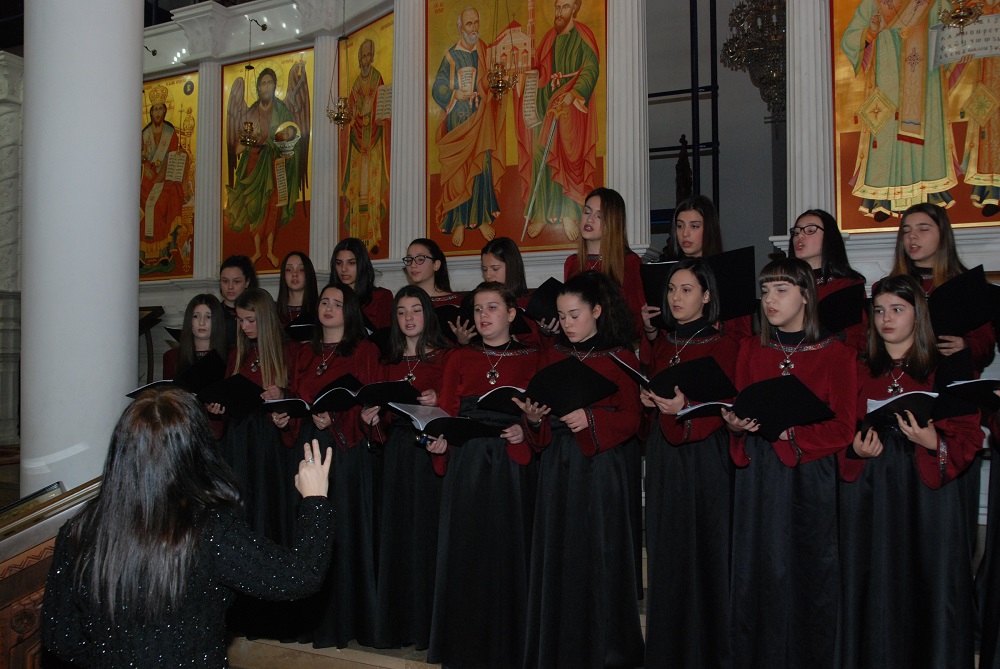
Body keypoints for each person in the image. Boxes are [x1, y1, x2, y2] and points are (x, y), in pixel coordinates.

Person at [41, 387, 334, 668]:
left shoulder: (78, 530)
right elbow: (299, 576)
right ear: (196, 449)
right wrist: (315, 500)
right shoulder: (209, 530)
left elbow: (62, 639)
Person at [837, 274, 982, 668]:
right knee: (872, 582)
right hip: (871, 491)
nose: (886, 318)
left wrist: (933, 440)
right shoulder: (857, 366)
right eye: (879, 310)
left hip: (925, 495)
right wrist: (854, 449)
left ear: (918, 315)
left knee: (926, 582)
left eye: (897, 310)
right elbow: (838, 428)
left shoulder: (948, 365)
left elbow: (969, 434)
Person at [723, 257, 858, 669]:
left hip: (809, 478)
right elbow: (740, 408)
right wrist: (736, 426)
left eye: (781, 290)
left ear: (805, 295)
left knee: (806, 574)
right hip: (759, 477)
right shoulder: (751, 349)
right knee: (757, 573)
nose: (770, 300)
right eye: (765, 291)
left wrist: (793, 435)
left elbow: (844, 428)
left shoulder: (837, 353)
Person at [519, 270, 645, 668]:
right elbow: (538, 412)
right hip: (557, 466)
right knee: (557, 557)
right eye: (561, 316)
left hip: (601, 469)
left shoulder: (621, 357)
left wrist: (590, 419)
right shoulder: (553, 353)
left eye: (574, 315)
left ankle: (606, 652)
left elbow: (633, 420)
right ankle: (557, 647)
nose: (567, 324)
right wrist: (534, 419)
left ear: (597, 311)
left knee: (600, 556)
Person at [426, 282, 540, 669]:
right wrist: (439, 444)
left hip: (510, 467)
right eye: (477, 309)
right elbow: (445, 412)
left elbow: (543, 416)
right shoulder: (459, 357)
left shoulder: (533, 357)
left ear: (511, 313)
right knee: (467, 555)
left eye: (492, 307)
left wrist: (526, 429)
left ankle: (510, 646)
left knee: (509, 553)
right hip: (468, 465)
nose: (483, 315)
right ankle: (465, 647)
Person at [639, 259, 739, 668]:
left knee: (706, 551)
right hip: (665, 455)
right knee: (667, 551)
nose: (675, 298)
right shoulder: (664, 343)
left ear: (707, 296)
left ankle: (709, 652)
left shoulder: (724, 344)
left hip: (705, 458)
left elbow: (726, 406)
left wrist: (685, 409)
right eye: (671, 290)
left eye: (686, 290)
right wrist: (650, 401)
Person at [274, 282, 381, 649]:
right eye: (324, 302)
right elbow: (295, 396)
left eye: (337, 303)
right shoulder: (304, 352)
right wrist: (285, 417)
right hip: (307, 447)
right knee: (306, 532)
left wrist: (334, 418)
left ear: (349, 311)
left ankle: (346, 620)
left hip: (344, 452)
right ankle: (309, 619)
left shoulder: (364, 350)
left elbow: (371, 404)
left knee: (341, 532)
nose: (329, 308)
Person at [371, 285, 453, 650]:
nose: (408, 318)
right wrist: (372, 416)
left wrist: (439, 400)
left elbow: (457, 409)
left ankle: (428, 628)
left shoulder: (446, 357)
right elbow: (379, 423)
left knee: (427, 537)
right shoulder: (387, 361)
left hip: (430, 453)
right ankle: (398, 626)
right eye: (402, 312)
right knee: (398, 537)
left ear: (427, 315)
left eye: (416, 310)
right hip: (396, 456)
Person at [840, 1, 957, 219]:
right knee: (886, 134)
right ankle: (884, 198)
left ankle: (929, 194)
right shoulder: (874, 3)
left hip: (925, 84)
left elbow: (953, 31)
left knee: (926, 133)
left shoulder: (933, 2)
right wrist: (871, 32)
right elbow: (849, 39)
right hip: (888, 80)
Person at [523, 0, 600, 242]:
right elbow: (540, 71)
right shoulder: (549, 38)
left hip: (572, 106)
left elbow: (591, 69)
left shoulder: (583, 36)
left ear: (574, 9)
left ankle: (568, 213)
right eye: (557, 7)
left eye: (565, 7)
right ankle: (541, 213)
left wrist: (573, 93)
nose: (559, 12)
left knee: (569, 155)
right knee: (540, 152)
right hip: (548, 104)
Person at [885, 203, 996, 372]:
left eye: (923, 229)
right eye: (906, 231)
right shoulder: (888, 287)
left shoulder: (966, 286)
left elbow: (985, 345)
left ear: (942, 234)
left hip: (949, 375)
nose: (912, 236)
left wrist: (966, 346)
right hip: (903, 376)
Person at [431, 6, 504, 247]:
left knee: (481, 167)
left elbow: (492, 81)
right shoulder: (451, 56)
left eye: (476, 23)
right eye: (469, 24)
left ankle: (481, 218)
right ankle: (459, 222)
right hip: (458, 122)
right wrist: (455, 93)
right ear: (461, 28)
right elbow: (438, 87)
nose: (474, 28)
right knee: (458, 173)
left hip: (481, 121)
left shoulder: (484, 51)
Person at [225, 67, 306, 267]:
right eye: (263, 83)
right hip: (254, 165)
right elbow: (237, 149)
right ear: (258, 87)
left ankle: (270, 251)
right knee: (255, 207)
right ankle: (256, 251)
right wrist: (251, 139)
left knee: (273, 207)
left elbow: (293, 139)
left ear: (274, 86)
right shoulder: (250, 113)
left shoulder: (282, 110)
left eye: (270, 83)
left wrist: (285, 146)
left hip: (276, 166)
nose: (266, 87)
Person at [562, 187, 644, 339]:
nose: (590, 219)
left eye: (599, 216)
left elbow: (638, 317)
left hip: (615, 342)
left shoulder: (629, 262)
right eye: (587, 212)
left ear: (613, 223)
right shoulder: (572, 263)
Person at [787, 209, 867, 351]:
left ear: (829, 238)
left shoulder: (846, 286)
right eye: (796, 232)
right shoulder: (783, 284)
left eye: (810, 230)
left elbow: (856, 339)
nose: (800, 236)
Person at [340, 38, 389, 256]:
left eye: (369, 55)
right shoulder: (356, 85)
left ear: (373, 57)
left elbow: (383, 109)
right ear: (359, 59)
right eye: (363, 56)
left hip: (374, 141)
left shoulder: (378, 79)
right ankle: (355, 238)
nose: (366, 59)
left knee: (373, 190)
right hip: (358, 146)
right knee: (356, 189)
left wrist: (374, 115)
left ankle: (373, 236)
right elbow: (350, 113)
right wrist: (355, 116)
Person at [140, 85, 188, 272]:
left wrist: (161, 174)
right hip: (147, 179)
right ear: (151, 112)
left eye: (161, 109)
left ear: (165, 111)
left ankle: (164, 252)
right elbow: (140, 157)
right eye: (155, 109)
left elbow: (174, 156)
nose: (158, 113)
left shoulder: (170, 132)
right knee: (142, 201)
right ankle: (143, 255)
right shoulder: (144, 134)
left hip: (165, 178)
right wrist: (145, 166)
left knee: (164, 200)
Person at [162, 293, 228, 380]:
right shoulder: (172, 356)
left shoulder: (231, 356)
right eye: (196, 316)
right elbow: (168, 388)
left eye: (208, 317)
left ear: (217, 321)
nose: (201, 322)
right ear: (189, 320)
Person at [332, 237, 394, 331]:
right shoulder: (329, 298)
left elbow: (386, 336)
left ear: (362, 264)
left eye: (351, 263)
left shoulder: (381, 297)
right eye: (339, 263)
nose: (343, 269)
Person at [658, 194, 723, 261]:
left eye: (694, 226)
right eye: (680, 226)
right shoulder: (666, 265)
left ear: (709, 229)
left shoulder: (723, 265)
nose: (685, 234)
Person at [218, 255, 258, 347]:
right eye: (225, 281)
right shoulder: (213, 312)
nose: (230, 287)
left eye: (236, 282)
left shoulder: (258, 310)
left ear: (247, 282)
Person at [276, 250, 319, 327]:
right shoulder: (274, 312)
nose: (294, 274)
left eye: (301, 270)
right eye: (289, 270)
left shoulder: (320, 310)